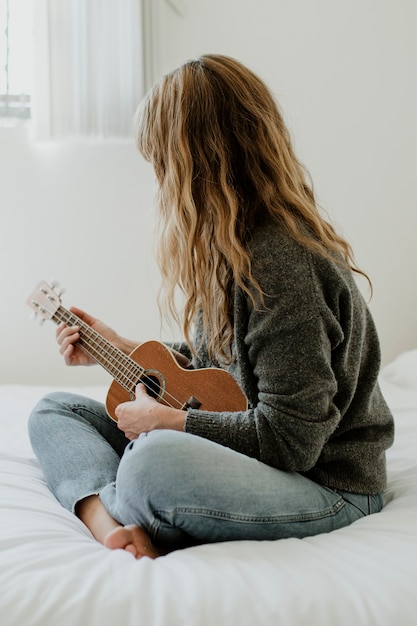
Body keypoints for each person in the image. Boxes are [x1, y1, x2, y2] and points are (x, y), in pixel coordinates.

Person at [28, 54, 394, 559]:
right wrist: (118, 347)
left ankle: (115, 502)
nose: (158, 184)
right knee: (55, 411)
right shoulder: (234, 247)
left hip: (326, 484)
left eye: (160, 165)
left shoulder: (282, 264)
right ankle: (110, 521)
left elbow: (293, 441)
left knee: (152, 463)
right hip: (256, 453)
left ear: (195, 166)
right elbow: (225, 368)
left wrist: (167, 425)